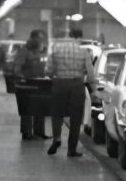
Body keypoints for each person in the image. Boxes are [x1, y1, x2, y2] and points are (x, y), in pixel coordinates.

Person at [45, 27, 98, 156]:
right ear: (79, 38)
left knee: (57, 113)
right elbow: (91, 75)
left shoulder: (56, 49)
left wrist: (55, 76)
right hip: (76, 85)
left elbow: (48, 70)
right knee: (75, 117)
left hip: (59, 84)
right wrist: (94, 90)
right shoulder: (84, 52)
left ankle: (57, 138)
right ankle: (71, 149)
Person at [9, 30, 51, 142]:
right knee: (27, 109)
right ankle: (26, 132)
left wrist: (47, 74)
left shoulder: (42, 51)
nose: (41, 41)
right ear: (32, 39)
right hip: (26, 83)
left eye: (42, 39)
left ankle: (39, 132)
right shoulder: (24, 51)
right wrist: (21, 77)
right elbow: (17, 67)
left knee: (41, 107)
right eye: (39, 39)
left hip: (40, 82)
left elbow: (45, 66)